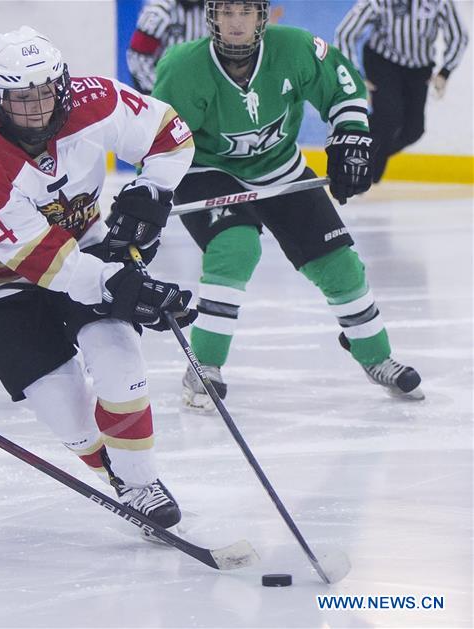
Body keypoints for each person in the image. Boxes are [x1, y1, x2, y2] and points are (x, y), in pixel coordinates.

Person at [0, 25, 197, 531]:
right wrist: (126, 288)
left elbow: (171, 134)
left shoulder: (95, 101)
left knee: (120, 359)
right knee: (72, 421)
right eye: (20, 98)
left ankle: (141, 483)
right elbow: (47, 265)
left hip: (82, 245)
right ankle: (116, 475)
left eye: (45, 92)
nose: (36, 109)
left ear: (64, 82)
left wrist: (153, 191)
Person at [151, 0, 424, 410]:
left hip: (280, 166)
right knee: (235, 247)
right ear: (212, 17)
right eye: (226, 12)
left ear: (263, 15)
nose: (236, 22)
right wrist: (151, 189)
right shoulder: (184, 67)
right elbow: (161, 138)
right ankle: (203, 364)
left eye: (246, 11)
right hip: (208, 169)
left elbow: (341, 83)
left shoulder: (295, 48)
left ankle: (374, 354)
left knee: (338, 262)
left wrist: (350, 133)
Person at [335, 0, 468, 183]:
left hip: (419, 69)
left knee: (414, 130)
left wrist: (445, 72)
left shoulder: (440, 2)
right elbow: (345, 33)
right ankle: (363, 169)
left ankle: (358, 157)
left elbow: (459, 36)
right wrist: (355, 74)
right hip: (383, 62)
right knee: (389, 116)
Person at [127, 0, 285, 95]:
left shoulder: (215, 8)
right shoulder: (160, 11)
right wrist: (159, 92)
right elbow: (137, 58)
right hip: (163, 92)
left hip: (200, 94)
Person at [127, 0, 207, 94]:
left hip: (198, 92)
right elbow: (137, 58)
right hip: (161, 91)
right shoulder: (159, 11)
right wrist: (163, 91)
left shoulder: (213, 9)